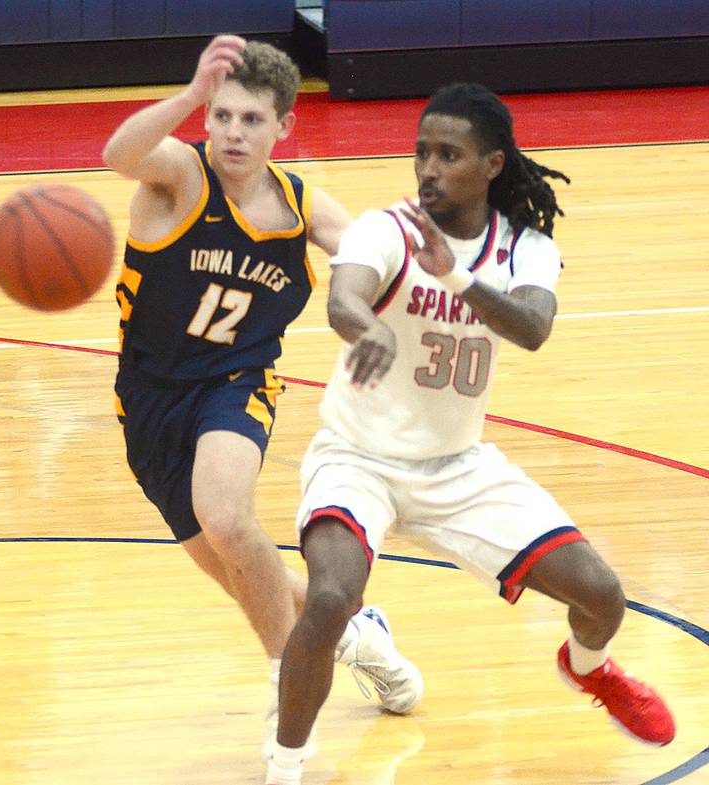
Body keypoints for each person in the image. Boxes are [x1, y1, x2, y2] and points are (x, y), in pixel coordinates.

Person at [266, 82, 675, 785]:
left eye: (447, 154)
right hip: (356, 457)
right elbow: (343, 298)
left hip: (458, 469)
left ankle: (591, 669)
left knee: (603, 594)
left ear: (490, 164)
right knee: (332, 596)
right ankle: (285, 766)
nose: (427, 167)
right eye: (421, 151)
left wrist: (455, 276)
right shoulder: (384, 228)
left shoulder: (525, 248)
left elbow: (534, 328)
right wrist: (366, 329)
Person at [101, 35, 423, 755]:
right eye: (221, 116)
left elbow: (371, 250)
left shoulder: (300, 207)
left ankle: (292, 692)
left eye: (252, 119)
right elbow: (116, 155)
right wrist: (186, 96)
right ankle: (357, 634)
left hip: (235, 382)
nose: (233, 133)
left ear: (284, 127)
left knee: (226, 515)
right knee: (248, 573)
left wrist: (437, 284)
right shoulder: (180, 177)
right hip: (148, 402)